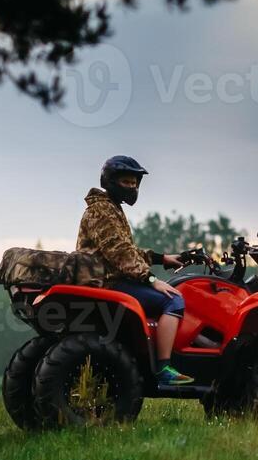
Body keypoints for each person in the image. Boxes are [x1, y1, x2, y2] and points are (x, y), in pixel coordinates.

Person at [76, 155, 192, 388]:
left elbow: (126, 249)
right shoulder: (102, 211)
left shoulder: (110, 208)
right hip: (107, 281)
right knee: (174, 300)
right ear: (110, 181)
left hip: (109, 277)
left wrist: (162, 258)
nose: (132, 187)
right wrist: (151, 279)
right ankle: (163, 368)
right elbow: (119, 252)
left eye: (134, 183)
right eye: (126, 182)